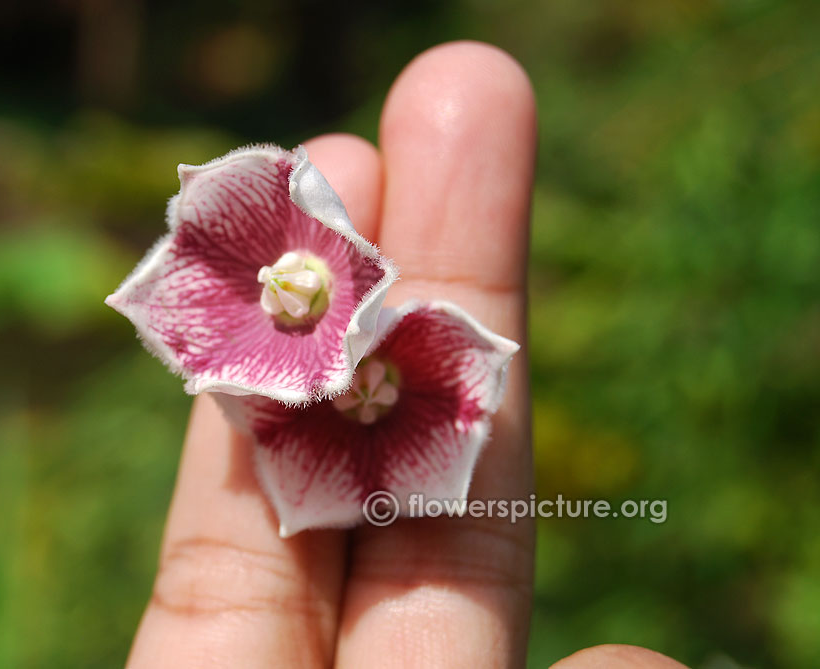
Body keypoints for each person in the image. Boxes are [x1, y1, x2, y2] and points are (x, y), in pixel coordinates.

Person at [125, 41, 687, 669]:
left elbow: (358, 379)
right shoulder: (319, 361)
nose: (357, 389)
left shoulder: (361, 338)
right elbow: (311, 433)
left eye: (354, 384)